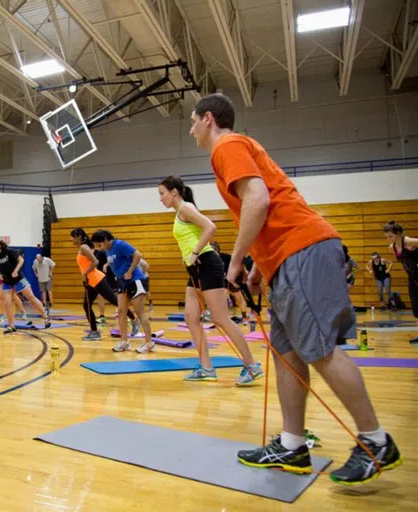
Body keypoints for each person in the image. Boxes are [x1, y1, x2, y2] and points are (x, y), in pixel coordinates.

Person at [190, 93, 401, 484]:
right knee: (287, 353)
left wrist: (237, 262)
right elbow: (259, 207)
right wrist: (261, 266)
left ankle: (376, 440)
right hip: (286, 259)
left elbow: (257, 200)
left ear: (208, 119)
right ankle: (292, 444)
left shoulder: (228, 146)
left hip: (301, 248)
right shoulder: (235, 148)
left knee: (319, 350)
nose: (191, 131)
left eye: (193, 122)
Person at [158, 176, 262, 385]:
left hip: (207, 263)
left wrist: (195, 252)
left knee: (221, 319)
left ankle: (251, 366)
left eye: (162, 193)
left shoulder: (185, 208)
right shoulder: (181, 212)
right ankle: (206, 368)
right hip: (195, 269)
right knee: (191, 317)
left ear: (174, 192)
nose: (161, 199)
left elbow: (210, 227)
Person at [70, 228, 140, 341]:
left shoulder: (84, 247)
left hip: (96, 279)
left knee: (114, 300)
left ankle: (134, 320)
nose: (71, 239)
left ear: (78, 236)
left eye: (72, 237)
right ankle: (94, 332)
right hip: (90, 281)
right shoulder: (84, 247)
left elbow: (95, 262)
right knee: (86, 306)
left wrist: (85, 273)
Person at [90, 230, 153, 353]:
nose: (99, 248)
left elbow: (138, 255)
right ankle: (124, 341)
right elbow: (117, 263)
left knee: (140, 313)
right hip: (122, 283)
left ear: (106, 240)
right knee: (121, 311)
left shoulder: (120, 244)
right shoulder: (108, 250)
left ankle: (149, 343)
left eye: (99, 245)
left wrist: (129, 272)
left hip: (135, 280)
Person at [0, 239, 51, 334]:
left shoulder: (9, 252)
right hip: (7, 282)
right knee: (7, 303)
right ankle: (11, 326)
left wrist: (16, 271)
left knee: (32, 298)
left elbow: (21, 260)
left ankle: (46, 318)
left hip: (18, 279)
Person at [383, 222, 418, 321]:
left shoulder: (407, 241)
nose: (389, 239)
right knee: (416, 304)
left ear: (398, 233)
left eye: (391, 236)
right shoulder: (392, 248)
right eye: (387, 237)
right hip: (413, 277)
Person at [211, 241, 249, 323]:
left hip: (231, 279)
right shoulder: (209, 260)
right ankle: (225, 315)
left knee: (240, 299)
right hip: (220, 282)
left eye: (214, 250)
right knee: (223, 297)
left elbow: (239, 263)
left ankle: (244, 317)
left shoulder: (226, 257)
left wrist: (244, 272)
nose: (212, 253)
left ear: (218, 250)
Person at [0, 255, 29, 325]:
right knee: (1, 297)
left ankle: (23, 312)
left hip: (7, 279)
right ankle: (4, 315)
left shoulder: (3, 258)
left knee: (14, 296)